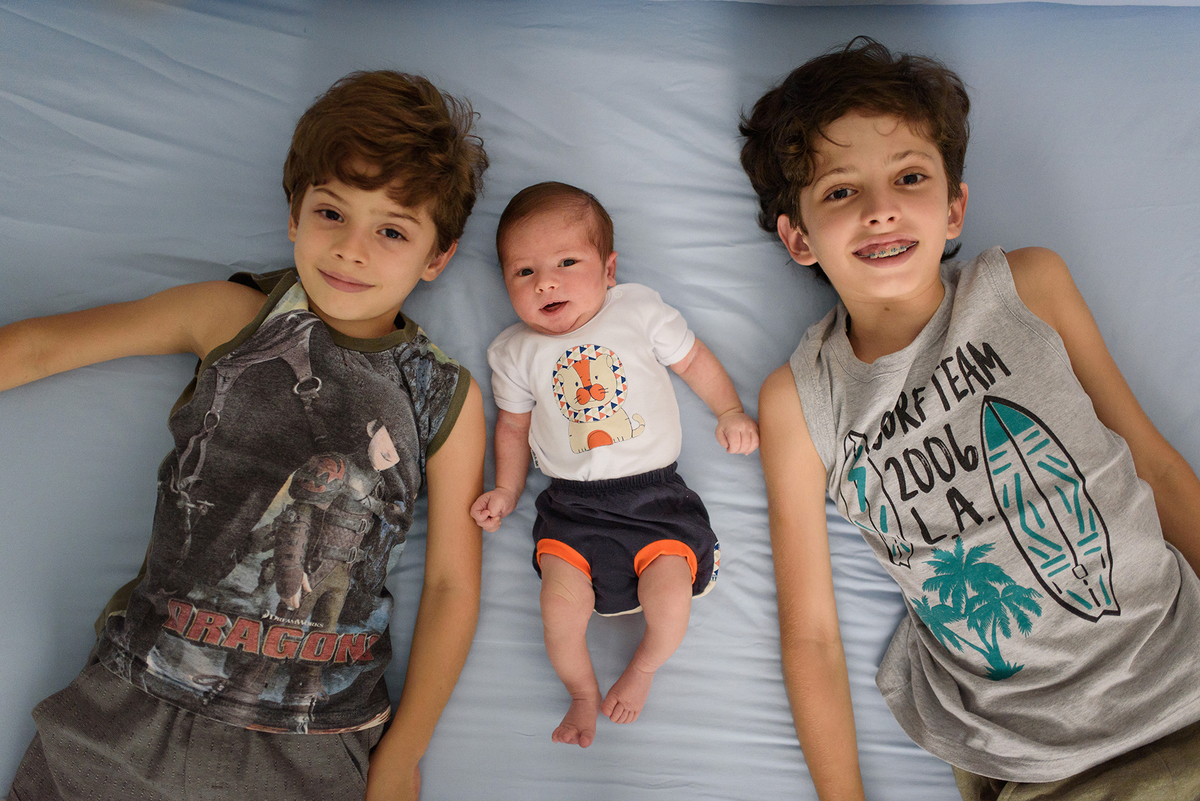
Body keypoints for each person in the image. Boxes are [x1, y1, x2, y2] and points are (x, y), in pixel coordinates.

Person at [1, 70, 489, 801]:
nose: (351, 249)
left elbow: (451, 586)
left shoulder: (443, 395)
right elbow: (41, 349)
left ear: (437, 256)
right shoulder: (231, 315)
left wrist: (402, 756)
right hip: (136, 704)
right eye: (331, 212)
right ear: (294, 215)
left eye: (391, 230)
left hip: (311, 740)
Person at [741, 38, 1200, 801]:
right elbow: (811, 635)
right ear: (798, 237)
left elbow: (1153, 465)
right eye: (841, 191)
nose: (881, 208)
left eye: (909, 177)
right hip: (1039, 760)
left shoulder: (1029, 284)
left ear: (954, 207)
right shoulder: (800, 398)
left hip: (1185, 678)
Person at [470, 182, 759, 748]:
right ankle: (581, 692)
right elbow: (512, 428)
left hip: (656, 500)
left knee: (670, 596)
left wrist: (729, 411)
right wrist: (505, 489)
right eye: (524, 272)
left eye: (566, 263)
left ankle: (643, 669)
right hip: (571, 508)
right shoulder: (514, 351)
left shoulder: (637, 310)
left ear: (608, 269)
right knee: (558, 608)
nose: (545, 282)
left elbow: (693, 361)